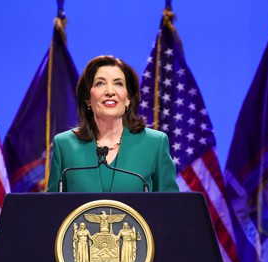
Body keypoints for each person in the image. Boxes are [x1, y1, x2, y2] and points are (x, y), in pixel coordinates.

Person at [47, 55, 179, 192]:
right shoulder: (64, 145)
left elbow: (171, 207)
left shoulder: (155, 144)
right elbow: (52, 209)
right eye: (100, 83)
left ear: (128, 98)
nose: (110, 92)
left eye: (118, 83)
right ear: (87, 99)